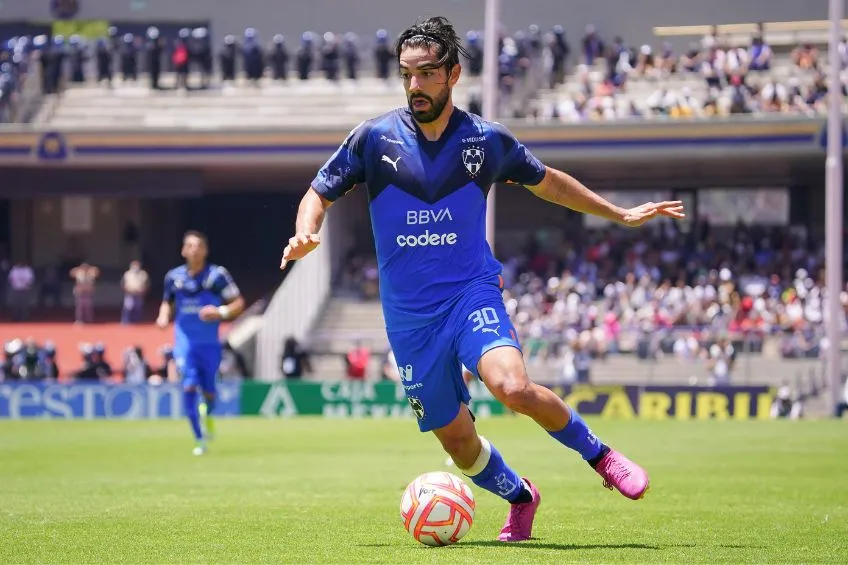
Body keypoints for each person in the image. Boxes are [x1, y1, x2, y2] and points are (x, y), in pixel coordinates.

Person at [280, 16, 685, 543]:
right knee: (458, 445)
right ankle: (521, 495)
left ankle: (602, 457)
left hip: (470, 293)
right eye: (407, 74)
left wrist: (621, 214)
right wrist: (305, 231)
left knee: (511, 387)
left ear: (453, 74)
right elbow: (318, 193)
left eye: (427, 74)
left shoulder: (486, 141)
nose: (414, 86)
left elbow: (552, 185)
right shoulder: (372, 139)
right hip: (409, 320)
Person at [157, 231, 245, 456]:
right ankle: (199, 439)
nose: (194, 250)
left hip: (210, 345)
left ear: (205, 250)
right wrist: (163, 316)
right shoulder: (174, 278)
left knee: (209, 392)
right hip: (185, 343)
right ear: (183, 250)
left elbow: (238, 303)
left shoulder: (216, 276)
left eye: (198, 246)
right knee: (188, 385)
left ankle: (209, 413)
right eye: (189, 246)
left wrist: (220, 311)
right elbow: (167, 302)